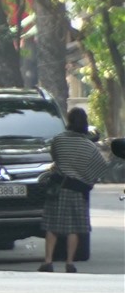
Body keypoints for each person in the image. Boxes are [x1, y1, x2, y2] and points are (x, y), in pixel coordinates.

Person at [41, 107, 109, 273]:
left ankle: (48, 261)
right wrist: (87, 179)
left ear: (69, 122)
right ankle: (70, 262)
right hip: (77, 190)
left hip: (58, 188)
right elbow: (101, 167)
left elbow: (55, 158)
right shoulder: (89, 146)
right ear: (85, 124)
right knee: (73, 228)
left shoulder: (58, 140)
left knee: (52, 226)